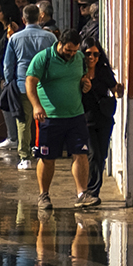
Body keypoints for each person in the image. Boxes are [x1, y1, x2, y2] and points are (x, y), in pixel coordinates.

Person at [25, 25, 93, 207]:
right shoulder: (43, 58)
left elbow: (84, 77)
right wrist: (36, 106)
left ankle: (82, 194)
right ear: (60, 44)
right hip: (50, 117)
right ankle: (43, 195)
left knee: (81, 153)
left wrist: (86, 83)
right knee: (47, 158)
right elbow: (30, 82)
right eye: (68, 50)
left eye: (75, 51)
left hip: (75, 116)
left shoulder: (79, 58)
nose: (71, 54)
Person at [1, 3, 57, 173]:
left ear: (23, 19)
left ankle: (25, 157)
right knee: (45, 120)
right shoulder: (50, 38)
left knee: (23, 122)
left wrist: (9, 81)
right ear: (40, 17)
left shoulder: (15, 38)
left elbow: (8, 64)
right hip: (45, 85)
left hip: (22, 84)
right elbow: (55, 61)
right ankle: (45, 151)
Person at [79, 38, 122, 206]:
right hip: (85, 119)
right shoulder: (77, 72)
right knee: (93, 154)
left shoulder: (103, 71)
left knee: (101, 155)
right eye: (88, 53)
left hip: (103, 118)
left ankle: (93, 192)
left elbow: (114, 90)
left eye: (96, 54)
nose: (92, 57)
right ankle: (91, 191)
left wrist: (119, 90)